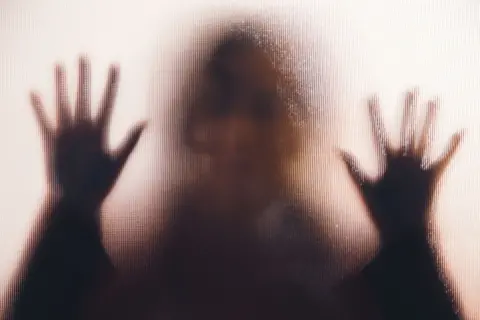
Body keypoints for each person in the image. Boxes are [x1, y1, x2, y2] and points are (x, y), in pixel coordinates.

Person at [4, 21, 463, 320]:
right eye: (218, 101)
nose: (238, 132)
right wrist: (69, 227)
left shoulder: (341, 293)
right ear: (187, 124)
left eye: (264, 108)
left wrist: (409, 256)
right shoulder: (130, 287)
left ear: (297, 133)